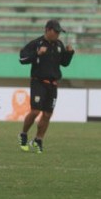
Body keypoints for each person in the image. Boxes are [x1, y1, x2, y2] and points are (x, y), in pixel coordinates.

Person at [18, 19, 74, 153]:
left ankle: (38, 139)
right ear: (48, 30)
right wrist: (37, 54)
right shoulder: (36, 44)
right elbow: (22, 59)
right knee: (36, 111)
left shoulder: (59, 44)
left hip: (53, 84)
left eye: (59, 32)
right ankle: (23, 134)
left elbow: (64, 63)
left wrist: (70, 53)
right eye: (56, 32)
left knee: (48, 114)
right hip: (38, 82)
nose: (58, 35)